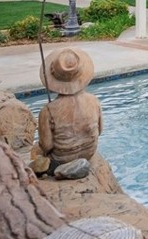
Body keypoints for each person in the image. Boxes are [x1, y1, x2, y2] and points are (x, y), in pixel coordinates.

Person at [35, 48, 102, 176]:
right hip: (89, 152)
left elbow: (46, 146)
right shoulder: (94, 101)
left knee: (35, 151)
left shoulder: (48, 110)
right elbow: (100, 130)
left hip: (61, 159)